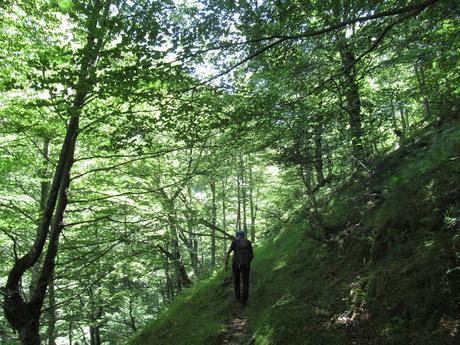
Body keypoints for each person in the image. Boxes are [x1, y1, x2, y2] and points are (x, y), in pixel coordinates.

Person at [224, 230, 254, 305]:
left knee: (236, 281)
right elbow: (252, 255)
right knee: (245, 282)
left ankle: (238, 297)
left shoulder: (234, 242)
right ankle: (245, 300)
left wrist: (226, 264)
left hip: (236, 264)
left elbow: (228, 252)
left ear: (237, 235)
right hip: (246, 265)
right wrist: (248, 262)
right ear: (244, 235)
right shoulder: (248, 242)